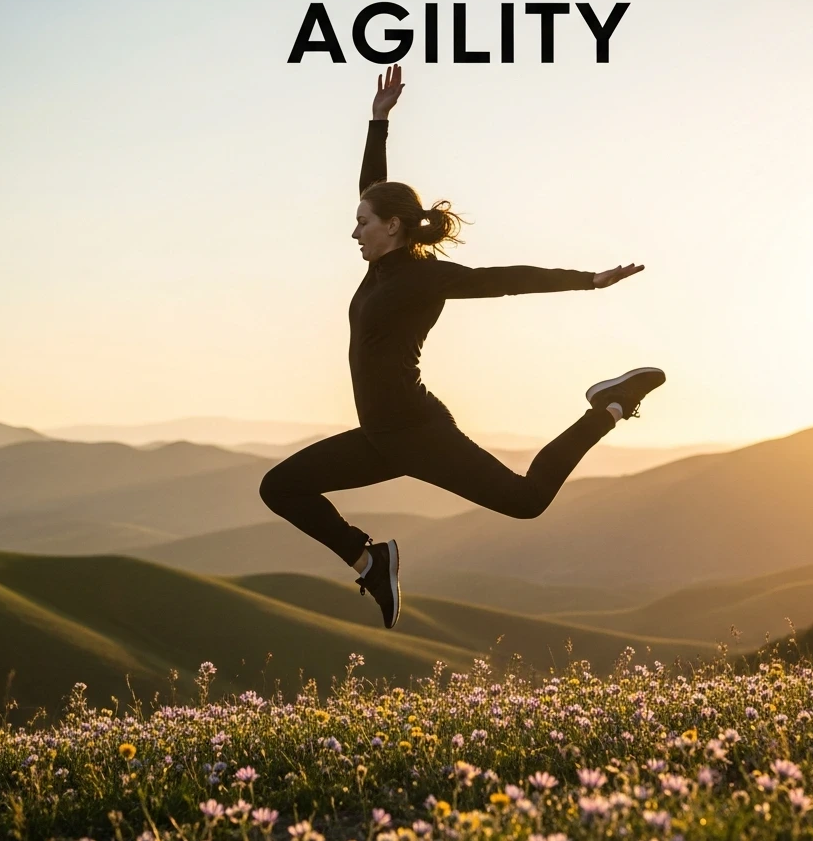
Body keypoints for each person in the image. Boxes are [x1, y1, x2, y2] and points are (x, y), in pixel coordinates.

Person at [259, 64, 665, 630]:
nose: (353, 231)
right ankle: (371, 560)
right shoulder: (379, 265)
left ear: (393, 227)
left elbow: (503, 277)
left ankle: (608, 407)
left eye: (362, 223)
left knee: (526, 500)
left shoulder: (420, 277)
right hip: (381, 436)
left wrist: (586, 279)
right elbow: (371, 190)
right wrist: (377, 123)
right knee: (280, 487)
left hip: (415, 434)